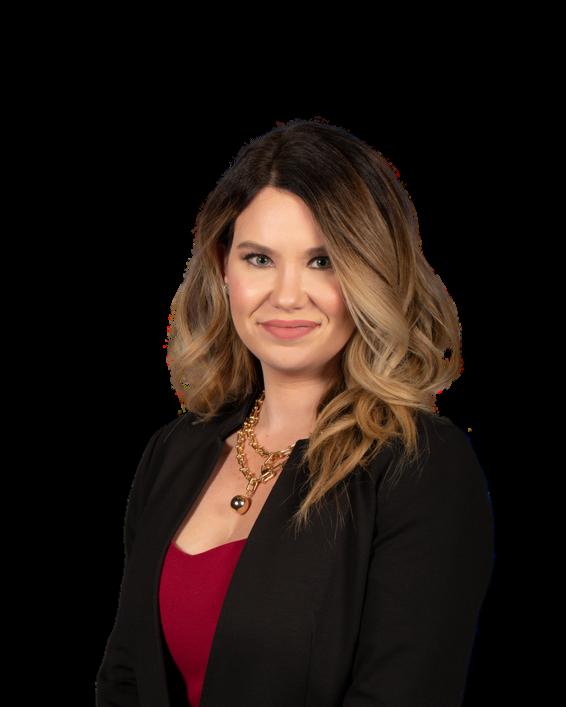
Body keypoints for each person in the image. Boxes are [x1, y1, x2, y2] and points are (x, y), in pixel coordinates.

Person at [95, 117, 495, 706]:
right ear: (223, 267)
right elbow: (126, 680)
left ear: (372, 274)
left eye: (323, 261)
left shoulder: (421, 467)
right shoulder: (175, 451)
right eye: (259, 259)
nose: (286, 296)